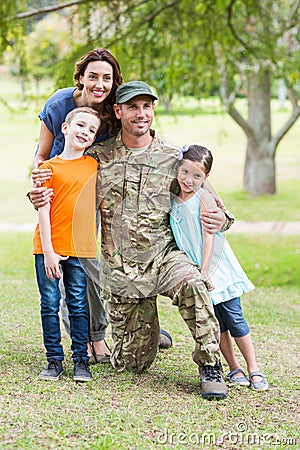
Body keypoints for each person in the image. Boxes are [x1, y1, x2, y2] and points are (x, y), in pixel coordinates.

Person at [86, 81, 235, 400]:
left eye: (147, 106)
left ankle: (210, 365)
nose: (141, 114)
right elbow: (67, 190)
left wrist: (223, 219)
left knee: (194, 283)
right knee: (132, 365)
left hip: (166, 258)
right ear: (118, 111)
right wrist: (42, 189)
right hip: (122, 270)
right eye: (133, 107)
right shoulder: (97, 157)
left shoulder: (173, 157)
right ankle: (150, 337)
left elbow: (210, 198)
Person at [30, 48, 123, 363]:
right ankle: (84, 342)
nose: (100, 84)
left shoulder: (113, 112)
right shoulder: (58, 105)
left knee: (87, 266)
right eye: (93, 76)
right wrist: (38, 187)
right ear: (81, 77)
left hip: (91, 195)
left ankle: (96, 335)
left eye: (107, 78)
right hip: (55, 191)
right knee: (63, 267)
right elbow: (41, 155)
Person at [169, 144, 268, 391]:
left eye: (197, 176)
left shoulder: (204, 198)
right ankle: (234, 367)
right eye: (185, 172)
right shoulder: (174, 198)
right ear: (177, 169)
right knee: (217, 323)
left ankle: (254, 368)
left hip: (215, 267)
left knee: (235, 319)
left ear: (206, 178)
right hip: (196, 268)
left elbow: (209, 237)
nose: (188, 180)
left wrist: (205, 272)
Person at [33, 106, 101, 382]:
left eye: (91, 130)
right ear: (65, 128)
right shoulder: (47, 168)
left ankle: (81, 361)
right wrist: (49, 251)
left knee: (78, 304)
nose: (84, 132)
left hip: (79, 248)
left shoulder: (94, 166)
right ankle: (53, 360)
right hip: (48, 248)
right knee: (49, 304)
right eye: (80, 126)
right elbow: (42, 210)